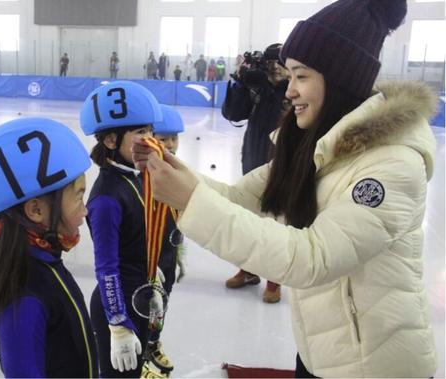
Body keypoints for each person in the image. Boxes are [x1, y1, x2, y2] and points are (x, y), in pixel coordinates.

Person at [132, 0, 438, 377]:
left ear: (341, 77)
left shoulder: (392, 164)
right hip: (321, 354)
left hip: (375, 366)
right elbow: (238, 199)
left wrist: (189, 200)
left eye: (301, 76)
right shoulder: (316, 146)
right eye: (289, 76)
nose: (289, 90)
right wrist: (176, 172)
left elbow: (312, 258)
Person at [0, 117, 98, 377]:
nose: (85, 210)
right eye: (78, 197)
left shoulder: (41, 259)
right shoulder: (23, 299)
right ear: (36, 210)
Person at [80, 81, 164, 377]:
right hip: (118, 309)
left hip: (142, 301)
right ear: (111, 141)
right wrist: (117, 324)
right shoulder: (106, 198)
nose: (150, 139)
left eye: (151, 130)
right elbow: (106, 267)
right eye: (140, 132)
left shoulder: (138, 176)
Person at [221, 43, 289, 303]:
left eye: (280, 62)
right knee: (248, 217)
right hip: (253, 156)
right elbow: (232, 113)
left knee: (277, 221)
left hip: (283, 161)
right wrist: (241, 83)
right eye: (270, 62)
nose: (274, 67)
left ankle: (275, 279)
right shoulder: (257, 84)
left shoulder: (296, 88)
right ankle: (248, 270)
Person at [144, 104, 187, 377]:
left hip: (167, 257)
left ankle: (153, 344)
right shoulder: (143, 178)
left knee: (161, 306)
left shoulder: (175, 173)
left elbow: (178, 219)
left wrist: (179, 253)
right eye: (163, 138)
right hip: (148, 261)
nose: (170, 144)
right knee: (146, 308)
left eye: (174, 138)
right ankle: (142, 356)